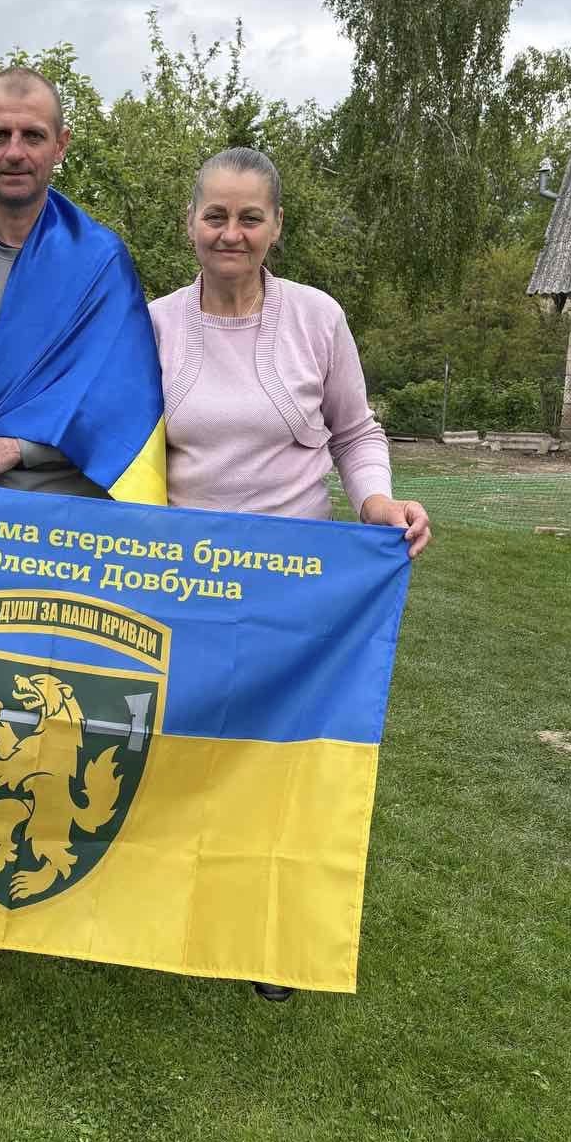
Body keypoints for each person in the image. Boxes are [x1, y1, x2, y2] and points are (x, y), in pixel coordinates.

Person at [148, 145, 431, 1003]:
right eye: (215, 216)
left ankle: (267, 936)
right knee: (181, 750)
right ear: (190, 223)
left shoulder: (318, 318)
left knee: (277, 761)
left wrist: (375, 500)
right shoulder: (153, 323)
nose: (230, 233)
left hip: (294, 584)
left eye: (250, 217)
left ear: (276, 226)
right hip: (185, 582)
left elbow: (355, 430)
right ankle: (159, 909)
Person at [0, 66, 167, 506]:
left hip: (66, 516)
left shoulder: (100, 261)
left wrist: (18, 448)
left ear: (60, 145)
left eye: (32, 136)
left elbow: (122, 403)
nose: (15, 152)